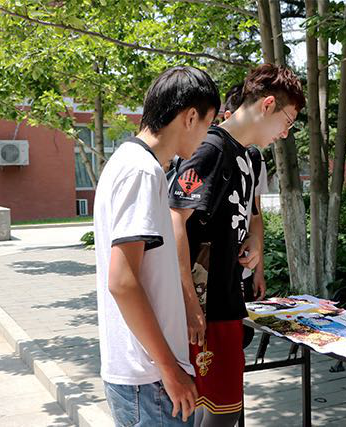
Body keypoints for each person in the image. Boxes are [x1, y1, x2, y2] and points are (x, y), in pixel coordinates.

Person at [169, 63, 305, 427]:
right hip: (206, 308)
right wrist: (189, 303)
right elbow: (174, 218)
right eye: (287, 121)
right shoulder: (210, 148)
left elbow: (249, 214)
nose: (285, 133)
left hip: (227, 298)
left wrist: (253, 242)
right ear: (267, 105)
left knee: (219, 409)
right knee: (219, 413)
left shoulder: (247, 154)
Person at [94, 66, 220, 426]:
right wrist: (170, 369)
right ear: (190, 117)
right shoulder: (142, 171)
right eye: (208, 124)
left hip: (141, 374)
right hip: (148, 379)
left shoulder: (127, 162)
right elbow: (122, 281)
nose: (206, 137)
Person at [222, 83, 269, 348]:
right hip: (215, 279)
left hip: (243, 271)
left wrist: (259, 269)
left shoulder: (254, 158)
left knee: (242, 338)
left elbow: (255, 215)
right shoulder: (212, 152)